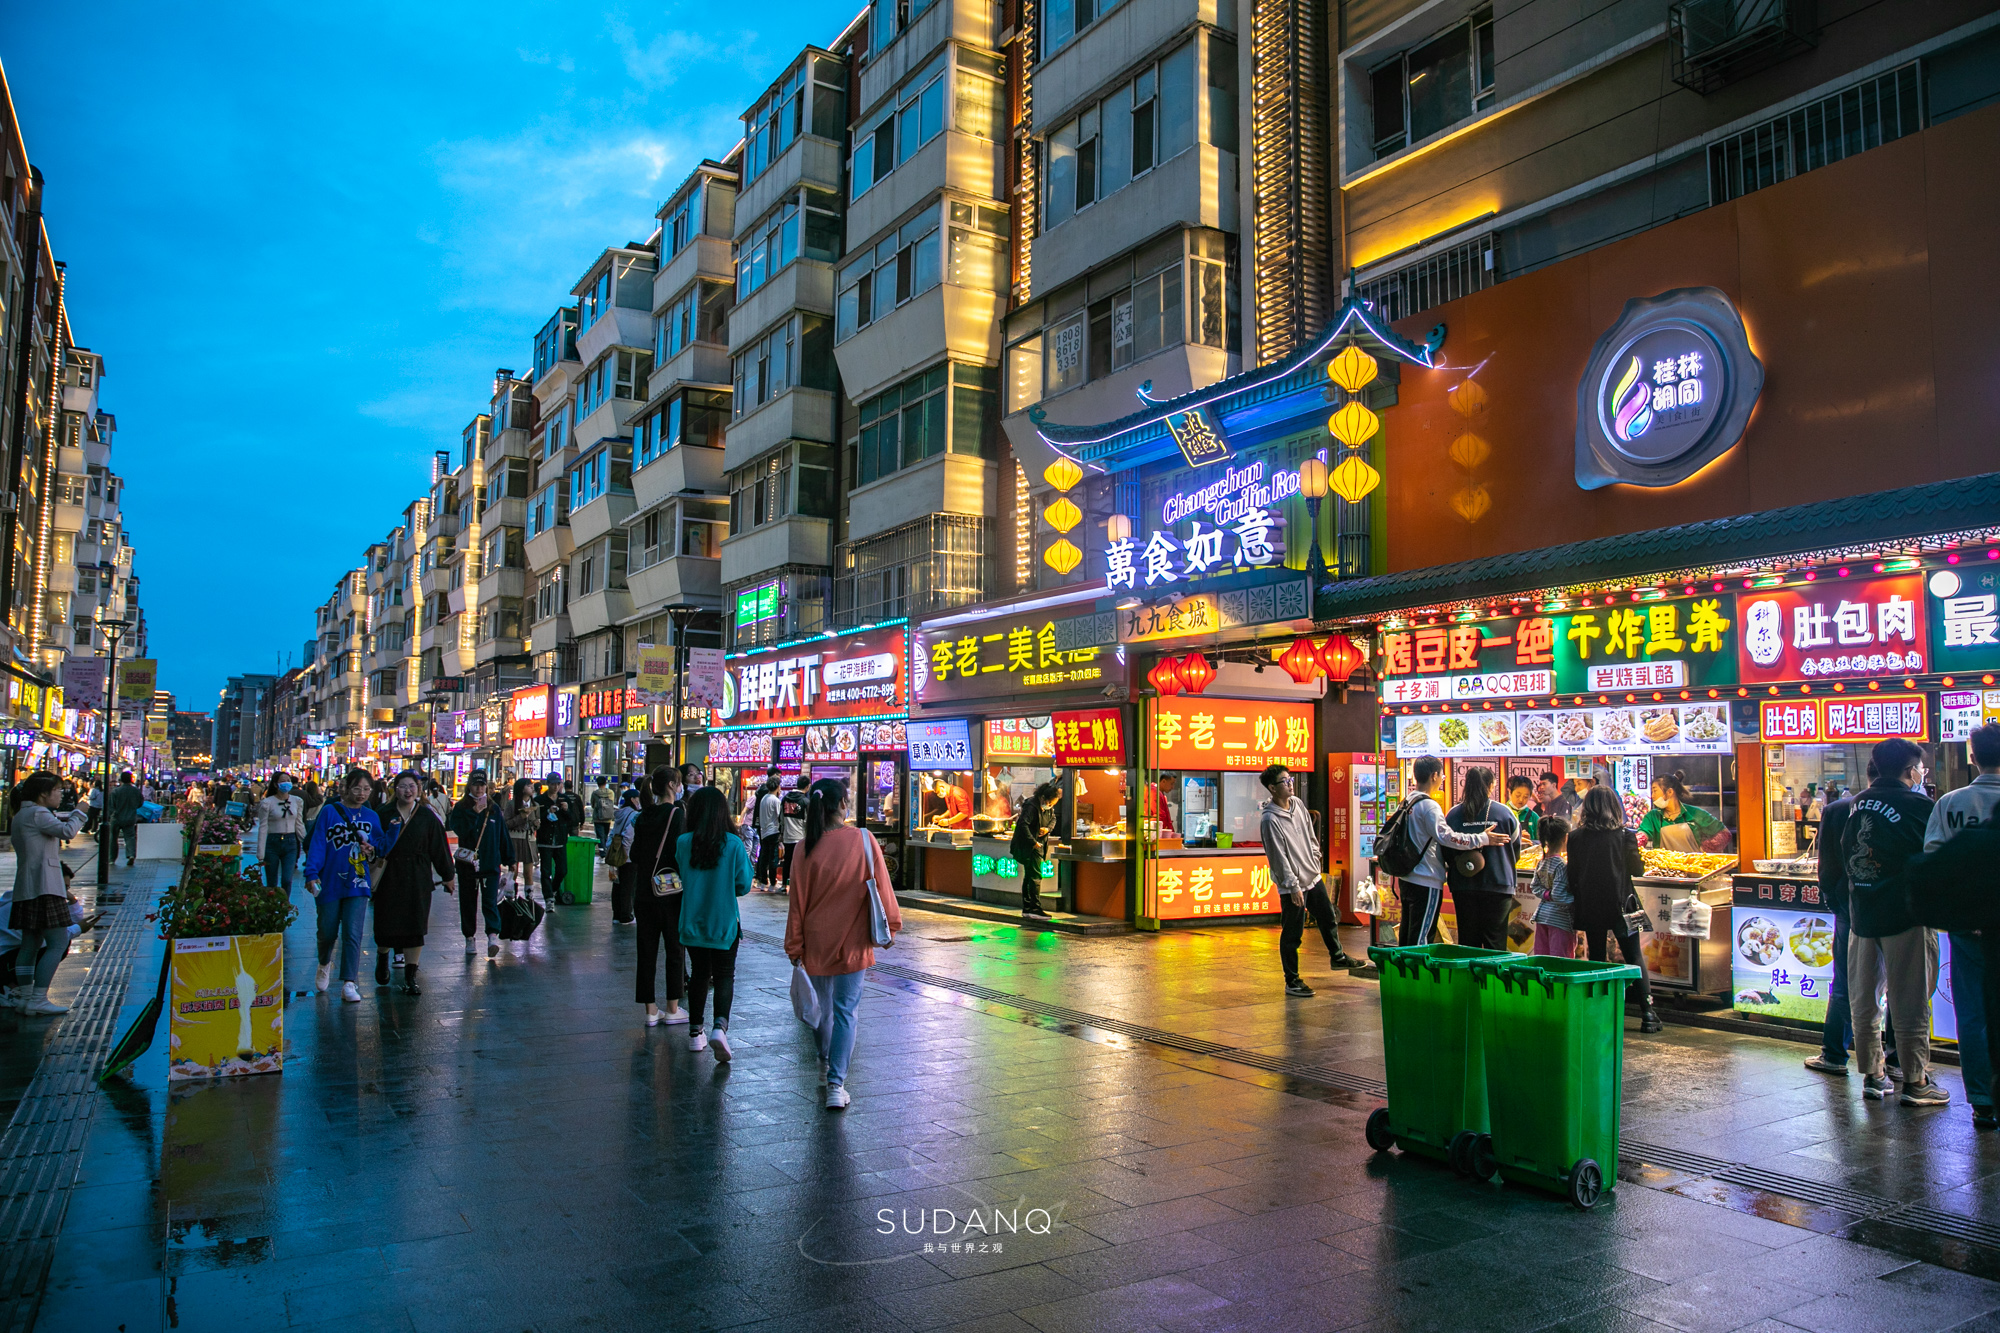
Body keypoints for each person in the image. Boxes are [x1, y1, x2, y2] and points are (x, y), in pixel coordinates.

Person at [787, 777, 900, 1109]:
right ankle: (836, 1085)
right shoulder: (863, 839)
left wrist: (794, 945)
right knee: (846, 1012)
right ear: (841, 805)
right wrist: (891, 927)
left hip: (815, 942)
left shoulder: (803, 847)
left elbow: (797, 903)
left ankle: (825, 1062)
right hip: (853, 942)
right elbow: (883, 887)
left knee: (821, 1012)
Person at [1845, 737, 1943, 1106]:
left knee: (1865, 999)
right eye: (1920, 768)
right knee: (1910, 999)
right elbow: (1933, 859)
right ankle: (1916, 1081)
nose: (1922, 773)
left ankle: (1873, 1075)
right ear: (1910, 770)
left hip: (1862, 914)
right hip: (1906, 915)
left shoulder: (1856, 803)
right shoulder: (1920, 805)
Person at [1920, 723, 2000, 1127]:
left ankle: (1982, 1101)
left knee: (1971, 1013)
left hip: (1968, 929)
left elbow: (1932, 862)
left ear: (1972, 757)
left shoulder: (1950, 803)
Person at [1567, 784, 1661, 1033]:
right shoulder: (1624, 836)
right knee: (1634, 957)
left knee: (1596, 958)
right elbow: (1637, 870)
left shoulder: (1575, 838)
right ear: (1614, 807)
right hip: (1623, 905)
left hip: (1590, 905)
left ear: (1587, 808)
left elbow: (1572, 875)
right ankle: (1648, 1014)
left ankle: (1599, 1013)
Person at [1260, 763, 1353, 997]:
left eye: (1290, 779)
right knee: (1293, 932)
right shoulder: (1270, 819)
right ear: (1272, 788)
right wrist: (1292, 886)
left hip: (1312, 876)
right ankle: (1291, 980)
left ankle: (1338, 956)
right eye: (1284, 781)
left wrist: (1315, 858)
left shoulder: (1298, 804)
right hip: (1293, 886)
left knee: (1327, 916)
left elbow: (1311, 836)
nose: (1290, 784)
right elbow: (1278, 857)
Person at [1393, 757, 1506, 946]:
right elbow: (1447, 837)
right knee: (1422, 936)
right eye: (1442, 775)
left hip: (1407, 876)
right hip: (1426, 878)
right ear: (1434, 775)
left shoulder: (1407, 801)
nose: (1442, 779)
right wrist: (1482, 838)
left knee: (1408, 931)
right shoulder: (1429, 806)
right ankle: (1417, 965)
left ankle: (1403, 964)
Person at [677, 785, 752, 1060]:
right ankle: (719, 1027)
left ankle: (695, 1033)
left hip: (692, 922)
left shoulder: (683, 842)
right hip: (724, 923)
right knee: (724, 975)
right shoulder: (733, 844)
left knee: (699, 973)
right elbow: (744, 884)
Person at [7, 773, 88, 1015]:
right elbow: (68, 831)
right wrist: (80, 812)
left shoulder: (22, 814)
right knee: (58, 942)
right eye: (58, 790)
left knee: (29, 944)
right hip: (46, 887)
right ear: (43, 793)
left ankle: (26, 998)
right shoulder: (38, 814)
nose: (61, 794)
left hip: (27, 887)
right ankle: (39, 998)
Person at [301, 768, 384, 1003]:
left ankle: (349, 982)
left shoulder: (372, 816)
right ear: (346, 787)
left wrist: (372, 849)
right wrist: (311, 873)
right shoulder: (330, 811)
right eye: (357, 788)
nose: (361, 793)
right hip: (329, 880)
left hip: (358, 882)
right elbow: (318, 843)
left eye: (366, 789)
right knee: (327, 931)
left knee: (353, 932)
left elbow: (379, 845)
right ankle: (324, 962)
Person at [373, 770, 456, 995]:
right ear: (395, 789)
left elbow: (439, 848)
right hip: (389, 875)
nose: (408, 791)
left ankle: (410, 976)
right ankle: (383, 956)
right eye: (403, 786)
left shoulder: (427, 817)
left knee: (415, 924)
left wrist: (448, 876)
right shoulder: (382, 813)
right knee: (385, 922)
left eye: (412, 786)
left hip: (418, 876)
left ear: (418, 789)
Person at [631, 768, 689, 1027]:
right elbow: (681, 851)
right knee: (675, 949)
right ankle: (673, 1008)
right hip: (670, 892)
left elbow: (634, 853)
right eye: (679, 783)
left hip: (644, 891)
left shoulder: (643, 815)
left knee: (646, 951)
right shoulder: (677, 814)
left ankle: (650, 1010)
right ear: (672, 785)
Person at [1442, 766, 1522, 951]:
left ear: (1467, 784)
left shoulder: (1453, 815)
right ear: (1491, 785)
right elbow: (1515, 851)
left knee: (1468, 943)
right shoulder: (1504, 813)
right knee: (1496, 943)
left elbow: (1446, 851)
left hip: (1463, 886)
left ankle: (1470, 971)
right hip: (1498, 885)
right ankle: (1493, 971)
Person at [447, 770, 513, 959]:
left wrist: (510, 859)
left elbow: (502, 835)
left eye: (482, 785)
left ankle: (492, 936)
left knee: (490, 901)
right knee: (468, 902)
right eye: (475, 785)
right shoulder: (461, 808)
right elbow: (459, 830)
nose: (479, 789)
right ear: (470, 786)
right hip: (468, 865)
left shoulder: (493, 809)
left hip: (490, 864)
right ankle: (469, 937)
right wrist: (474, 813)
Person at [1012, 779, 1062, 922]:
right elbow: (1023, 825)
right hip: (1030, 847)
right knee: (1035, 876)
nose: (1050, 806)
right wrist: (1032, 842)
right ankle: (1034, 908)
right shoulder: (1031, 806)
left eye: (1052, 805)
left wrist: (1047, 829)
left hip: (1039, 844)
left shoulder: (1048, 808)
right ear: (1043, 798)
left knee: (1030, 876)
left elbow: (1053, 819)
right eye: (1049, 803)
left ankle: (1028, 908)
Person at [1637, 772, 1726, 851]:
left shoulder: (1694, 813)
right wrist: (1637, 844)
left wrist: (1705, 849)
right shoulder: (1652, 816)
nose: (1652, 796)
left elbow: (1724, 833)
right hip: (1663, 864)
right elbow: (1642, 834)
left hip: (1693, 863)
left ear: (1670, 792)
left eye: (1655, 791)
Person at [1528, 814, 1575, 958]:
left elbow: (1534, 886)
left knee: (1542, 958)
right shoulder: (1561, 865)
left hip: (1542, 916)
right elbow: (1559, 895)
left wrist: (1546, 895)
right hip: (1559, 920)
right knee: (1559, 960)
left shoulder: (1542, 862)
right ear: (1565, 838)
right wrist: (1578, 901)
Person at [255, 772, 305, 893]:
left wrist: (306, 842)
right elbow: (263, 827)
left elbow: (299, 824)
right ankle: (272, 903)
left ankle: (285, 902)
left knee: (287, 879)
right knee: (272, 881)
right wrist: (260, 853)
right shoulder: (267, 803)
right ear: (275, 784)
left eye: (288, 780)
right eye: (282, 781)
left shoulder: (297, 801)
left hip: (291, 842)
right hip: (272, 842)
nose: (286, 783)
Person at [608, 786, 643, 924]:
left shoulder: (620, 813)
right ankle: (626, 915)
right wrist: (626, 852)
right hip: (628, 856)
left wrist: (612, 849)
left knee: (617, 885)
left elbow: (613, 833)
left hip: (617, 854)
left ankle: (616, 915)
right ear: (633, 799)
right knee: (628, 886)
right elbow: (629, 835)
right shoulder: (634, 815)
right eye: (638, 798)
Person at [534, 781, 571, 907]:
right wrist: (547, 812)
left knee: (562, 870)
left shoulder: (564, 799)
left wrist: (566, 810)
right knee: (546, 871)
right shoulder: (539, 800)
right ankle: (549, 898)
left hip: (560, 840)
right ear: (548, 784)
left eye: (558, 784)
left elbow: (571, 818)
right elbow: (536, 818)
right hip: (545, 840)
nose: (555, 787)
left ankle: (553, 890)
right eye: (553, 784)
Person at [505, 778, 538, 900]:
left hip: (529, 840)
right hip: (514, 839)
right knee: (513, 871)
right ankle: (510, 897)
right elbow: (505, 824)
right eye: (529, 786)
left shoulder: (535, 805)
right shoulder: (511, 804)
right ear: (521, 789)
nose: (532, 788)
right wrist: (521, 817)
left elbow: (536, 823)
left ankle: (529, 898)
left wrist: (536, 824)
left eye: (532, 786)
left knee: (528, 873)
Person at [108, 770, 145, 868]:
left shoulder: (116, 791)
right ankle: (131, 855)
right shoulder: (136, 791)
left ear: (121, 780)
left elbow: (111, 805)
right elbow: (140, 803)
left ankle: (112, 858)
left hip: (117, 817)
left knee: (113, 838)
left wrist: (112, 813)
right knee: (130, 837)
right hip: (130, 817)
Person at [779, 775, 809, 889]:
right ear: (808, 786)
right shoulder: (805, 801)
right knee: (799, 862)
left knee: (787, 860)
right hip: (800, 837)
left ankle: (784, 884)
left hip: (787, 836)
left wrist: (782, 833)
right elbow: (807, 821)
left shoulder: (785, 799)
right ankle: (797, 885)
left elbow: (781, 818)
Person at [754, 778, 783, 889]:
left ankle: (763, 881)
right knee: (773, 858)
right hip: (773, 831)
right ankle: (772, 882)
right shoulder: (775, 800)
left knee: (764, 856)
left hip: (764, 831)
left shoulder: (763, 798)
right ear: (777, 787)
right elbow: (779, 816)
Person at [1504, 775, 1540, 842]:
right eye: (1518, 795)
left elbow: (1542, 843)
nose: (1521, 800)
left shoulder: (1534, 817)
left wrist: (1531, 841)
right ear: (1510, 793)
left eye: (1525, 797)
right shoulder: (1501, 813)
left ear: (1530, 796)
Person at [590, 774, 616, 847]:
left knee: (600, 836)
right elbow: (612, 803)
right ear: (605, 783)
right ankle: (605, 848)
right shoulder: (611, 793)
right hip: (608, 818)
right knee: (605, 835)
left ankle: (602, 850)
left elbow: (592, 805)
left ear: (597, 784)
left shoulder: (595, 793)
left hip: (597, 818)